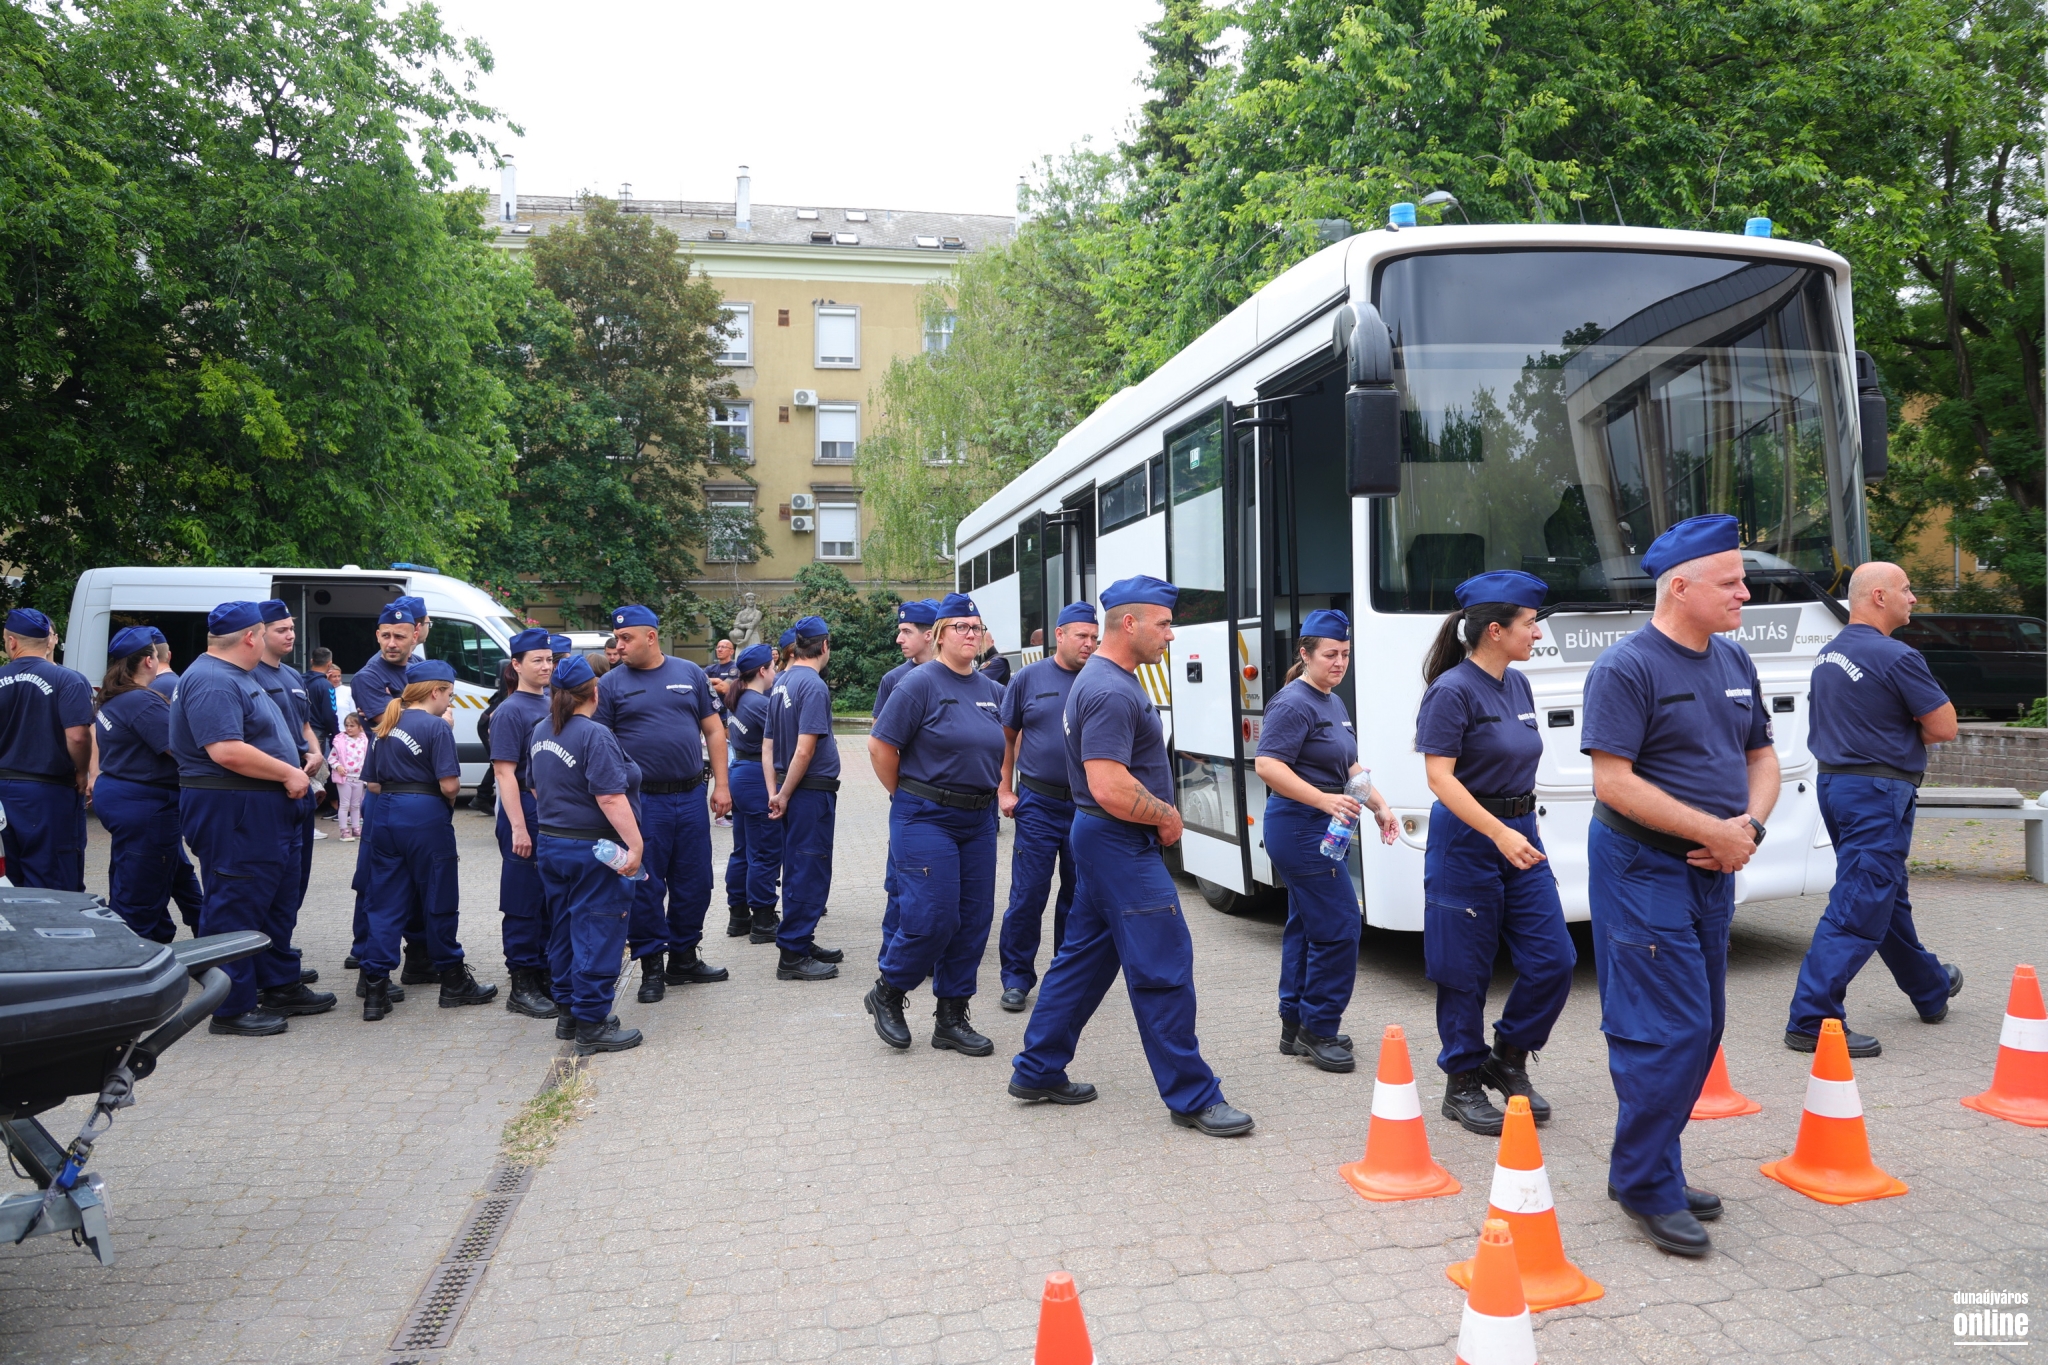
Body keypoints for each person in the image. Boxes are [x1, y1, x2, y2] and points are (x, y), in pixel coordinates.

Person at [1581, 513, 1778, 1257]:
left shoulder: (1734, 660)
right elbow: (1612, 781)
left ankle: (1652, 1165)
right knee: (1665, 1029)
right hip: (1644, 867)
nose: (1745, 593)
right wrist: (1712, 831)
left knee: (1705, 1026)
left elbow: (1762, 757)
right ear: (1680, 587)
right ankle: (1644, 1182)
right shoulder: (1627, 667)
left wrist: (1747, 830)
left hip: (1713, 868)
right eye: (1731, 582)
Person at [1008, 576, 1254, 1137]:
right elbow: (1108, 785)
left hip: (1101, 841)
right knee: (1163, 966)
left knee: (1082, 961)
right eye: (1163, 624)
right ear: (1130, 623)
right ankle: (1192, 1096)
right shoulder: (1112, 691)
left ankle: (1037, 1069)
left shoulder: (1102, 679)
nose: (1171, 635)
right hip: (1119, 842)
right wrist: (1166, 816)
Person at [1413, 577, 1574, 1131]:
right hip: (1467, 839)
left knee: (1555, 960)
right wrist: (1497, 832)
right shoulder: (1451, 690)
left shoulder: (1519, 684)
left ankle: (1507, 1056)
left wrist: (1516, 828)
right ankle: (1461, 1082)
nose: (1538, 632)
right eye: (1530, 623)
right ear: (1496, 631)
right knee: (1463, 970)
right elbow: (1440, 778)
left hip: (1521, 834)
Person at [1786, 562, 1963, 1056]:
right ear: (1879, 596)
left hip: (1836, 787)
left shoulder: (1829, 653)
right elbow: (1944, 727)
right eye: (1906, 589)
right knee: (1861, 901)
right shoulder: (1895, 655)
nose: (1913, 597)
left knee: (1885, 896)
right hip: (1877, 793)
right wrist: (1907, 729)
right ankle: (1811, 1018)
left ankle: (1929, 987)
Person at [169, 601, 335, 1035]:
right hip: (235, 809)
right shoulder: (212, 680)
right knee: (235, 904)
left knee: (275, 900)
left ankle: (278, 983)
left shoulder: (237, 675)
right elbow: (225, 750)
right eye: (264, 633)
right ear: (250, 637)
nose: (267, 640)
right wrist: (288, 773)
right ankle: (231, 1007)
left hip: (263, 807)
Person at [1256, 609, 1399, 1076]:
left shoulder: (1331, 701)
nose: (1339, 663)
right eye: (1330, 654)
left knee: (1307, 924)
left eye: (1345, 655)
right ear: (1305, 654)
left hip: (1321, 824)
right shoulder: (1292, 703)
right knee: (1340, 924)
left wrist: (1380, 806)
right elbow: (1267, 765)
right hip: (1299, 826)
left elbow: (1350, 768)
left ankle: (1295, 1025)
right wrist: (1322, 800)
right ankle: (1319, 1029)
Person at [865, 594, 1008, 1055]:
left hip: (978, 819)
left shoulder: (991, 690)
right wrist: (905, 793)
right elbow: (880, 747)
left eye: (976, 627)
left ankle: (951, 1018)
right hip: (926, 815)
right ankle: (888, 991)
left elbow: (1007, 742)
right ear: (940, 635)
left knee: (973, 920)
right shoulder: (919, 684)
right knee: (934, 917)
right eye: (961, 627)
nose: (970, 634)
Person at [596, 604, 733, 1003]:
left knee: (695, 882)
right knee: (645, 885)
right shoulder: (610, 685)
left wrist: (722, 786)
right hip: (643, 804)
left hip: (690, 797)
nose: (619, 646)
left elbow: (714, 730)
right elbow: (599, 745)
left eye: (626, 638)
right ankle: (652, 966)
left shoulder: (689, 673)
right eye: (617, 639)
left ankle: (684, 958)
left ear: (651, 637)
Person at [357, 661, 496, 1018]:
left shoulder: (385, 724)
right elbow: (450, 786)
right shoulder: (436, 727)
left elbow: (372, 783)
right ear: (436, 692)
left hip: (386, 813)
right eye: (450, 695)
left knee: (384, 902)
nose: (450, 702)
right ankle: (453, 980)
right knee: (438, 896)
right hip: (424, 816)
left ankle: (375, 989)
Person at [531, 652, 645, 1054]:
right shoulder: (594, 734)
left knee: (564, 928)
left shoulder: (541, 730)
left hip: (553, 843)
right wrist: (635, 845)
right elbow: (610, 797)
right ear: (594, 692)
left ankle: (570, 1012)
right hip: (592, 849)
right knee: (597, 930)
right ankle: (592, 1022)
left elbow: (535, 785)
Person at [994, 601, 1100, 1012]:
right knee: (1028, 895)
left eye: (1094, 637)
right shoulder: (1028, 678)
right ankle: (1016, 978)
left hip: (1086, 807)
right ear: (1059, 635)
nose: (1089, 644)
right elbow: (1006, 738)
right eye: (1081, 636)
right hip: (1037, 804)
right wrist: (1005, 791)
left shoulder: (1101, 678)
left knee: (1078, 896)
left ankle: (1064, 978)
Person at [343, 602, 430, 984]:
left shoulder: (416, 667)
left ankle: (418, 955)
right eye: (386, 635)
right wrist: (432, 715)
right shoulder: (369, 675)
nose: (392, 643)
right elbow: (392, 726)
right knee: (375, 877)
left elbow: (422, 718)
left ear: (416, 634)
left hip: (416, 787)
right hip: (385, 788)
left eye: (399, 635)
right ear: (377, 635)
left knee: (416, 880)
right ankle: (366, 954)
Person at [89, 627, 191, 943]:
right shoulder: (141, 701)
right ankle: (131, 954)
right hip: (145, 804)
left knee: (141, 875)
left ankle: (159, 938)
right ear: (149, 660)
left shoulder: (116, 696)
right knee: (139, 891)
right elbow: (181, 750)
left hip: (123, 796)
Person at [763, 616, 846, 981]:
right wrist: (784, 794)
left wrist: (775, 791)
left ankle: (800, 939)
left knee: (797, 866)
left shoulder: (781, 681)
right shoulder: (813, 685)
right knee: (809, 869)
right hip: (809, 791)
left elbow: (768, 746)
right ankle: (793, 952)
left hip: (791, 788)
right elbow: (804, 749)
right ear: (824, 645)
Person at [253, 602, 324, 986]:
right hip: (270, 791)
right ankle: (269, 971)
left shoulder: (294, 675)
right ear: (258, 632)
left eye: (292, 628)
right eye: (281, 629)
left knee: (294, 885)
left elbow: (305, 726)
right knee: (269, 887)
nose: (291, 635)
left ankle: (280, 957)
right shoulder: (250, 675)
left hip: (300, 790)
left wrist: (315, 753)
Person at [489, 628, 558, 1019]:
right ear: (516, 665)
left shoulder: (550, 702)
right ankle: (522, 983)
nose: (545, 666)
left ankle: (545, 972)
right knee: (522, 901)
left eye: (549, 660)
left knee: (547, 898)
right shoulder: (510, 711)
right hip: (524, 814)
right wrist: (517, 826)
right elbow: (504, 773)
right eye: (537, 660)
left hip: (549, 813)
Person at [0, 608, 93, 891]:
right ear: (48, 641)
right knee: (52, 880)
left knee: (7, 880)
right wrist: (82, 773)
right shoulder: (68, 679)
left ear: (12, 642)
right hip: (49, 793)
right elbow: (78, 737)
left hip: (3, 792)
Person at [872, 599, 940, 965]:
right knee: (900, 882)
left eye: (906, 631)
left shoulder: (962, 674)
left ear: (930, 635)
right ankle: (893, 961)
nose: (899, 639)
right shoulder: (894, 680)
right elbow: (880, 743)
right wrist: (900, 792)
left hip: (955, 804)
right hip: (911, 800)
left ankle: (937, 953)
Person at [721, 643, 782, 943]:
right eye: (773, 667)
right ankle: (763, 918)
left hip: (740, 774)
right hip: (757, 778)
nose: (775, 672)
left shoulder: (739, 698)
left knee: (743, 849)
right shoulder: (760, 704)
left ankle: (739, 915)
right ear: (762, 670)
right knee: (764, 852)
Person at [706, 638, 740, 828]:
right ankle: (721, 812)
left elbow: (725, 688)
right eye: (718, 646)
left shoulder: (734, 668)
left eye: (723, 647)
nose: (719, 649)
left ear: (731, 651)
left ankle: (729, 809)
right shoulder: (711, 668)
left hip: (727, 722)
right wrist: (716, 682)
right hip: (711, 721)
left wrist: (712, 683)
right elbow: (702, 684)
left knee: (730, 761)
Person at [331, 713, 368, 841]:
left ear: (360, 727)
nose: (348, 728)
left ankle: (356, 828)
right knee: (344, 804)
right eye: (347, 725)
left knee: (356, 805)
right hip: (345, 778)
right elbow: (332, 758)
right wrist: (338, 767)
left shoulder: (364, 741)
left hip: (359, 778)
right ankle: (344, 830)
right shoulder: (340, 741)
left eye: (352, 726)